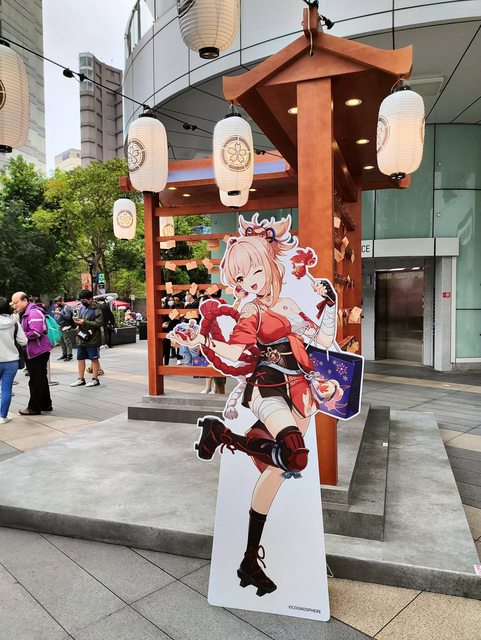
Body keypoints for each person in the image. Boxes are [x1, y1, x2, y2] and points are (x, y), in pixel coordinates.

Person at [168, 214, 337, 596]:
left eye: (256, 271)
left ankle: (248, 562)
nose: (250, 283)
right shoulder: (249, 310)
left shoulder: (290, 304)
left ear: (270, 263)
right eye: (241, 278)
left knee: (277, 470)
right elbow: (236, 351)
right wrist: (202, 342)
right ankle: (223, 435)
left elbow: (322, 342)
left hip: (300, 391)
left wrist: (330, 304)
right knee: (294, 455)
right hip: (267, 388)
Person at [11, 291, 53, 415]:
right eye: (13, 303)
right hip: (34, 350)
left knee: (35, 380)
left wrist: (20, 336)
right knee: (41, 378)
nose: (15, 306)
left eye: (16, 303)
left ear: (24, 300)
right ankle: (46, 404)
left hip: (38, 351)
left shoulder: (33, 312)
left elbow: (36, 331)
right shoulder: (25, 313)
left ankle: (34, 408)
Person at [0, 297, 27, 423]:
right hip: (11, 362)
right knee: (6, 389)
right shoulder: (14, 323)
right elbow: (23, 341)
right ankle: (2, 417)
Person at [70, 290, 103, 388]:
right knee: (80, 358)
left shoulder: (97, 309)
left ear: (90, 299)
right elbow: (81, 321)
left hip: (93, 339)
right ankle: (81, 379)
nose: (83, 302)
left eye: (84, 300)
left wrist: (84, 322)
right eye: (81, 300)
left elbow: (99, 323)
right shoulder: (82, 308)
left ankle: (95, 379)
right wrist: (77, 321)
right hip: (81, 337)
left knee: (94, 359)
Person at [54, 296, 75, 361]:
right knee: (61, 341)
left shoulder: (66, 308)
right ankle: (64, 354)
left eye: (57, 302)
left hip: (66, 327)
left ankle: (69, 355)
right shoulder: (60, 308)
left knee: (67, 341)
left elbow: (68, 317)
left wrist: (60, 313)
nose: (57, 304)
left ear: (61, 301)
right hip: (60, 327)